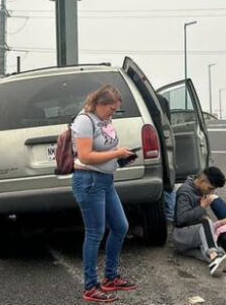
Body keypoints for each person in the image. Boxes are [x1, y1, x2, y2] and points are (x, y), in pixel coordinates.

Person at [71, 84, 137, 303]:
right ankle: (90, 286)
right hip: (89, 181)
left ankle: (110, 277)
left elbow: (105, 149)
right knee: (94, 232)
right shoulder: (84, 121)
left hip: (105, 180)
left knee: (120, 226)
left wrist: (119, 156)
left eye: (115, 110)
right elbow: (86, 156)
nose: (113, 113)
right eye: (111, 109)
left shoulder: (103, 120)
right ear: (99, 103)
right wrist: (116, 153)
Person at [172, 167, 226, 277]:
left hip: (190, 242)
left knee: (217, 250)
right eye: (210, 188)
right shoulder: (185, 192)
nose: (211, 192)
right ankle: (214, 258)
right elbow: (181, 218)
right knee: (205, 223)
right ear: (201, 181)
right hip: (181, 236)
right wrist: (202, 207)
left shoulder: (200, 189)